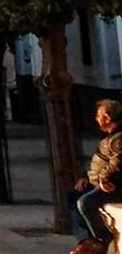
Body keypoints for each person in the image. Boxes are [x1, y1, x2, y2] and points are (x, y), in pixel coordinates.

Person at [70, 98, 122, 254]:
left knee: (85, 202)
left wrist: (104, 179)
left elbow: (117, 163)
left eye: (98, 115)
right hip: (99, 182)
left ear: (107, 117)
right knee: (73, 196)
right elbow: (98, 161)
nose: (96, 119)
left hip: (115, 185)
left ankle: (102, 239)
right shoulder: (109, 136)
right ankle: (86, 240)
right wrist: (86, 177)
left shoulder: (118, 138)